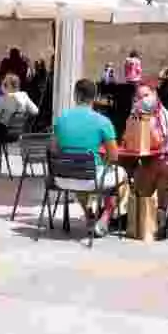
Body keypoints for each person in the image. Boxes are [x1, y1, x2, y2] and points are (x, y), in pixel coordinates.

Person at [52, 79, 126, 237]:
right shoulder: (103, 122)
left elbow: (54, 149)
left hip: (62, 178)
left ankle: (89, 216)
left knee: (80, 172)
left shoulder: (61, 119)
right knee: (121, 175)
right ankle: (105, 218)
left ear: (75, 95)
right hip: (89, 178)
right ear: (96, 96)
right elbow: (114, 156)